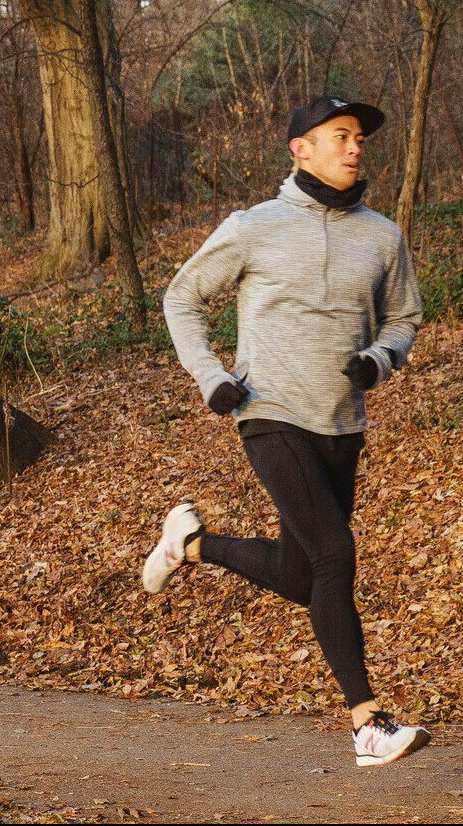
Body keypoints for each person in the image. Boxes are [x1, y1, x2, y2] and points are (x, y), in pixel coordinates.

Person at [141, 95, 428, 768]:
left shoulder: (381, 236)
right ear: (301, 148)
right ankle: (367, 723)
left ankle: (189, 543)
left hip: (342, 424)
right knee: (334, 552)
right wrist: (210, 375)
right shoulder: (254, 227)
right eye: (339, 135)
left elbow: (404, 317)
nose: (354, 147)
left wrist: (380, 357)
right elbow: (181, 297)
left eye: (359, 138)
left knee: (303, 576)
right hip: (269, 412)